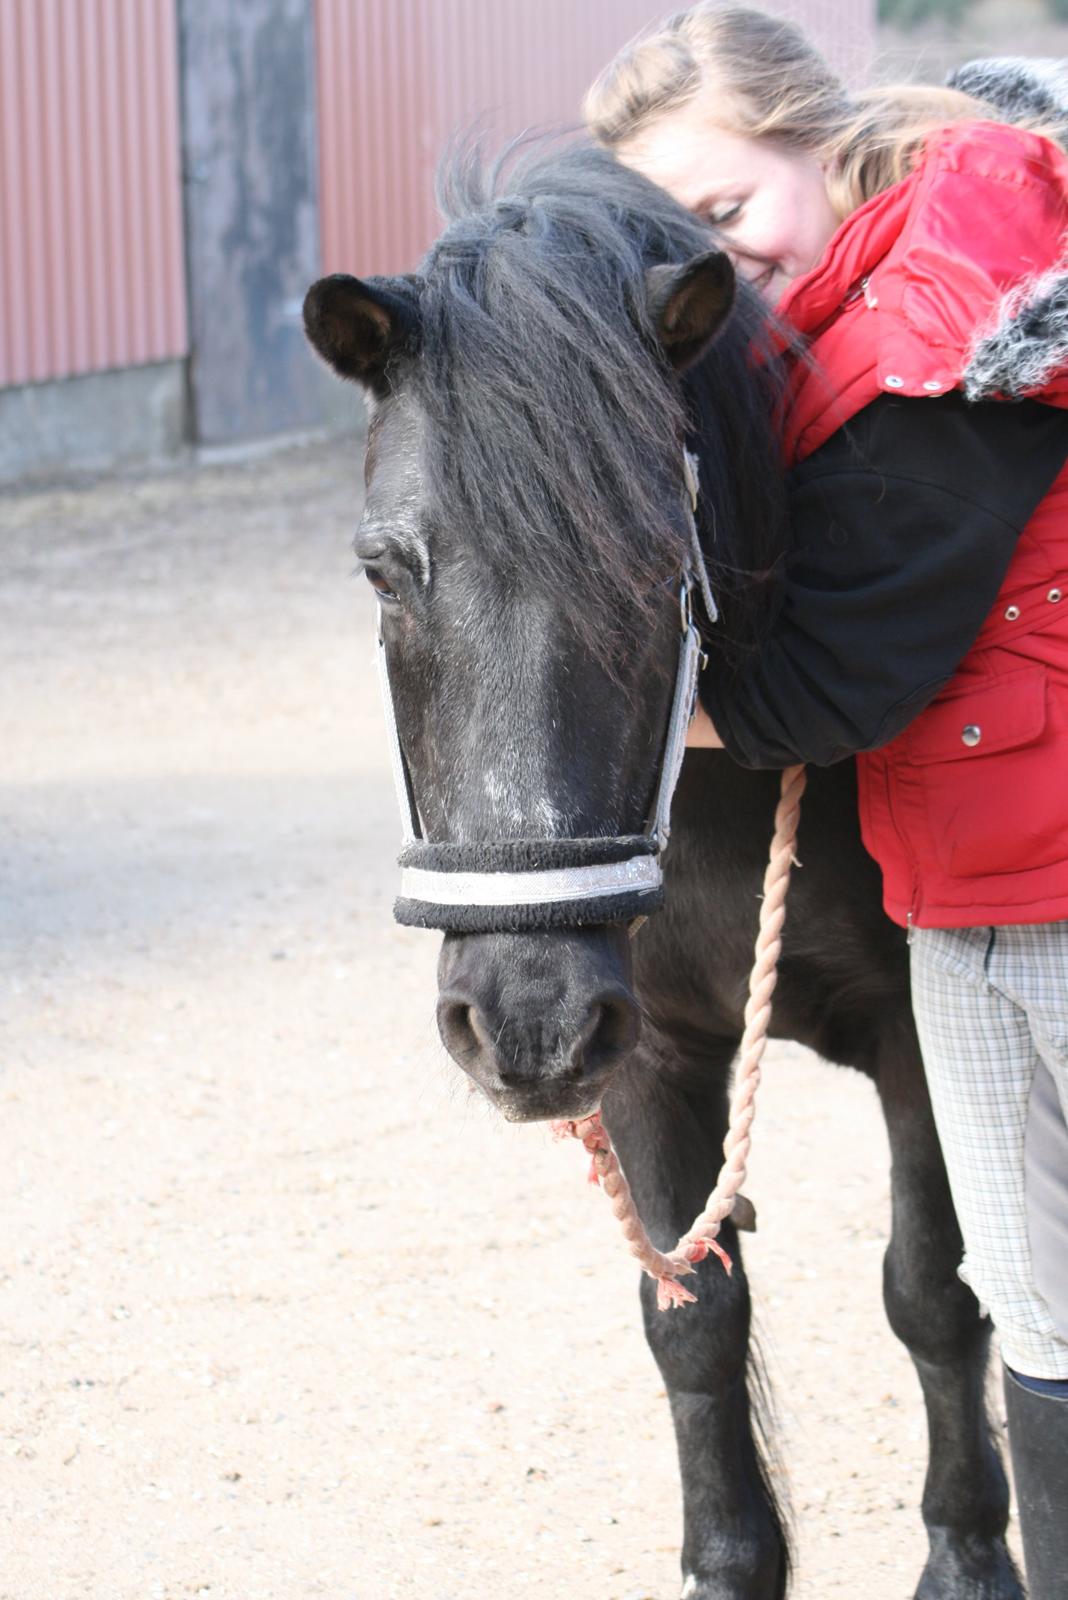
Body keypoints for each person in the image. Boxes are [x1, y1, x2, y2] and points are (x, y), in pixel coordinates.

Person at [585, 9, 1068, 1595]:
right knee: (1038, 1291)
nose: (718, 275)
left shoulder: (962, 284)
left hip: (1046, 865)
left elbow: (840, 683)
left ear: (815, 129)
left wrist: (626, 704)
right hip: (963, 866)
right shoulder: (821, 312)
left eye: (727, 217)